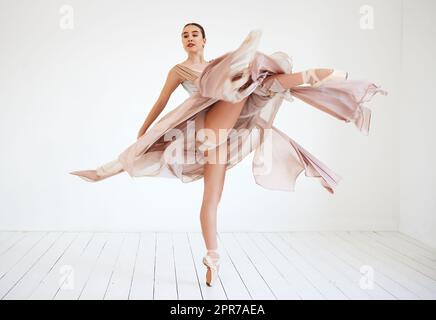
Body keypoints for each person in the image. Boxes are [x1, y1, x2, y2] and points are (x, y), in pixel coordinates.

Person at [70, 23, 387, 287]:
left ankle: (212, 260)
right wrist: (145, 129)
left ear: (204, 40)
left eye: (195, 33)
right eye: (185, 35)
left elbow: (239, 80)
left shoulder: (218, 66)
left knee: (214, 195)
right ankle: (103, 172)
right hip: (206, 127)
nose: (190, 37)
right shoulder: (179, 69)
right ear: (182, 43)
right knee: (248, 83)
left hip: (226, 134)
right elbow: (162, 100)